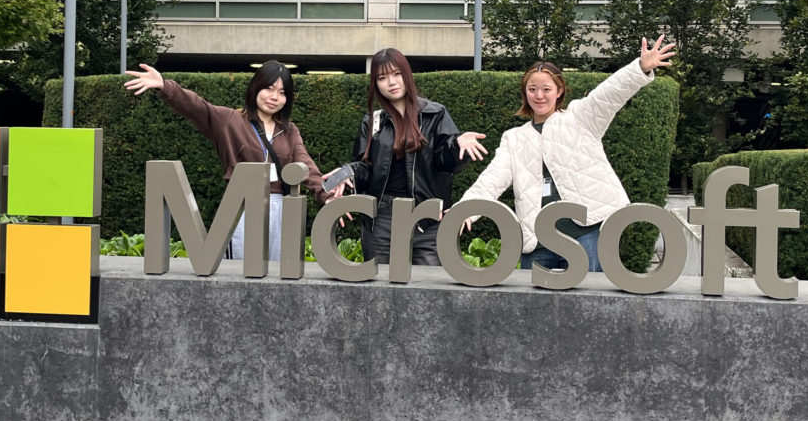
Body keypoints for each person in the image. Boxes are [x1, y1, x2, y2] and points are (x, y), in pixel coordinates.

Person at [457, 36, 675, 272]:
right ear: (525, 92)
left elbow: (609, 94)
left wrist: (640, 67)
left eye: (546, 89)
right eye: (532, 89)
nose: (539, 96)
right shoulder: (514, 138)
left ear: (559, 91)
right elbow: (491, 179)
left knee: (588, 295)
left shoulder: (580, 117)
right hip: (538, 240)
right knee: (531, 296)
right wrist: (466, 210)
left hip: (585, 233)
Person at [124, 61, 329, 260]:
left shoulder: (289, 130)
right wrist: (164, 85)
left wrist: (326, 195)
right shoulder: (230, 120)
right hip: (242, 207)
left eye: (282, 92)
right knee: (242, 271)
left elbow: (306, 165)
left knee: (279, 273)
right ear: (255, 88)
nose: (274, 97)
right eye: (269, 88)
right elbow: (197, 107)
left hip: (280, 209)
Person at [335, 48, 487, 265]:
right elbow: (365, 167)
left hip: (427, 217)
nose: (391, 82)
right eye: (382, 77)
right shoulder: (373, 121)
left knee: (428, 282)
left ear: (407, 74)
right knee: (380, 280)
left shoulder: (435, 114)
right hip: (382, 217)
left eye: (397, 74)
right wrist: (348, 172)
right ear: (375, 83)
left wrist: (457, 145)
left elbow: (447, 162)